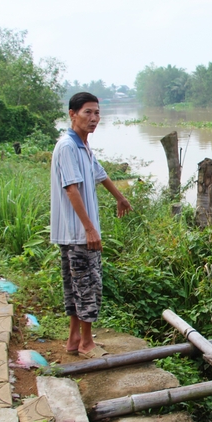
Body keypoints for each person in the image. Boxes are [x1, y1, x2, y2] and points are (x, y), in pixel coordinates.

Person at [50, 92, 133, 359]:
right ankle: (86, 343)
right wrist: (89, 228)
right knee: (88, 286)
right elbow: (72, 190)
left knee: (76, 286)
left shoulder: (82, 146)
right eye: (88, 112)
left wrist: (120, 197)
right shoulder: (67, 147)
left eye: (97, 113)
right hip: (78, 233)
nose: (94, 118)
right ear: (72, 114)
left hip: (74, 233)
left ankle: (74, 339)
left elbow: (100, 174)